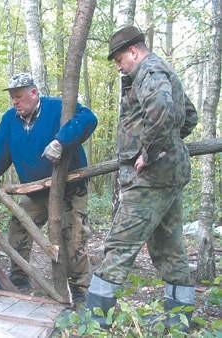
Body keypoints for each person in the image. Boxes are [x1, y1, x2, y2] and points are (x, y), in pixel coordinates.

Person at [82, 25, 198, 331]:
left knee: (119, 246)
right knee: (169, 249)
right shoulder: (162, 71)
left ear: (134, 51)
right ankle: (180, 322)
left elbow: (162, 111)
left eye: (120, 59)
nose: (119, 66)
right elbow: (189, 115)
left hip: (150, 181)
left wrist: (150, 152)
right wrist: (169, 145)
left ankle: (93, 324)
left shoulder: (149, 72)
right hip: (169, 177)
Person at [0, 73, 98, 307]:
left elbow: (89, 118)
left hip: (70, 189)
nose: (14, 102)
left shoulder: (58, 108)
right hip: (36, 192)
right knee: (18, 230)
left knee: (74, 238)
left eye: (18, 96)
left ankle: (80, 291)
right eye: (12, 98)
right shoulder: (10, 120)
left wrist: (61, 141)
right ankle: (19, 278)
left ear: (33, 93)